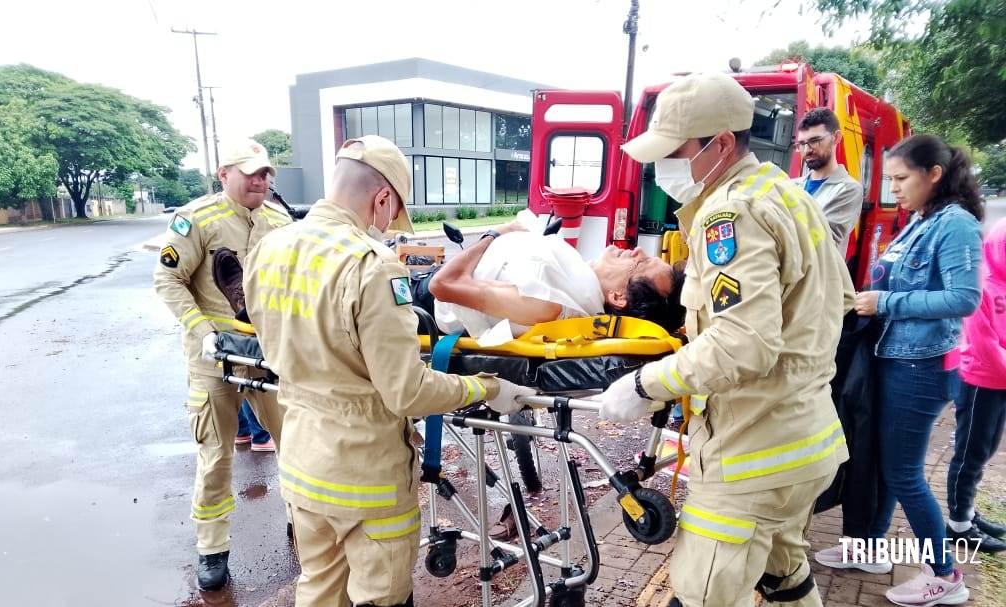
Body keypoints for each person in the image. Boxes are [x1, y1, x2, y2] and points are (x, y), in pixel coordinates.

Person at [596, 72, 855, 607]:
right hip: (805, 444)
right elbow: (838, 299)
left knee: (700, 593)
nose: (660, 166)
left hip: (752, 456)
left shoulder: (729, 212)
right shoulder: (787, 194)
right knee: (786, 577)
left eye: (673, 151)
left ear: (719, 145)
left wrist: (645, 384)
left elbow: (743, 344)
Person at [243, 134, 534, 607]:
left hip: (301, 463)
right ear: (382, 198)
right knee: (381, 597)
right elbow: (407, 392)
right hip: (366, 478)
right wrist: (486, 387)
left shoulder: (269, 247)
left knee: (318, 589)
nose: (386, 226)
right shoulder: (372, 265)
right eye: (390, 212)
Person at [827, 134, 983, 606]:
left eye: (901, 178)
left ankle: (945, 574)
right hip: (893, 356)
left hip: (923, 365)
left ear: (933, 174)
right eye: (890, 179)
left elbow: (964, 298)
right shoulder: (920, 220)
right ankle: (868, 548)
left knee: (903, 473)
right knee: (879, 459)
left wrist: (886, 301)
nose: (892, 187)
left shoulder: (955, 226)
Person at [153, 139, 293, 591]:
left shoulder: (280, 221)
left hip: (269, 355)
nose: (261, 180)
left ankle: (301, 520)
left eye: (266, 173)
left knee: (294, 441)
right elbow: (168, 279)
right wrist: (202, 331)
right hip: (214, 358)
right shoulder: (196, 219)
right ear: (223, 174)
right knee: (216, 456)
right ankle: (212, 547)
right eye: (251, 172)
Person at [412, 227, 685, 338]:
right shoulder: (574, 288)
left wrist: (494, 234)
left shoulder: (546, 304)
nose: (637, 251)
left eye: (640, 263)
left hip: (417, 306)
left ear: (618, 297)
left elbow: (443, 286)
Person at [944, 216, 1006, 553]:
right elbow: (984, 342)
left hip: (1002, 382)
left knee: (986, 449)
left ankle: (968, 511)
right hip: (981, 380)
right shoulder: (981, 285)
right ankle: (959, 524)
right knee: (970, 452)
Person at [792, 108, 865, 256]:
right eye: (801, 144)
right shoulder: (792, 185)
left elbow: (823, 239)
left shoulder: (848, 189)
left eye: (815, 141)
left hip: (818, 277)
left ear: (836, 138)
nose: (807, 150)